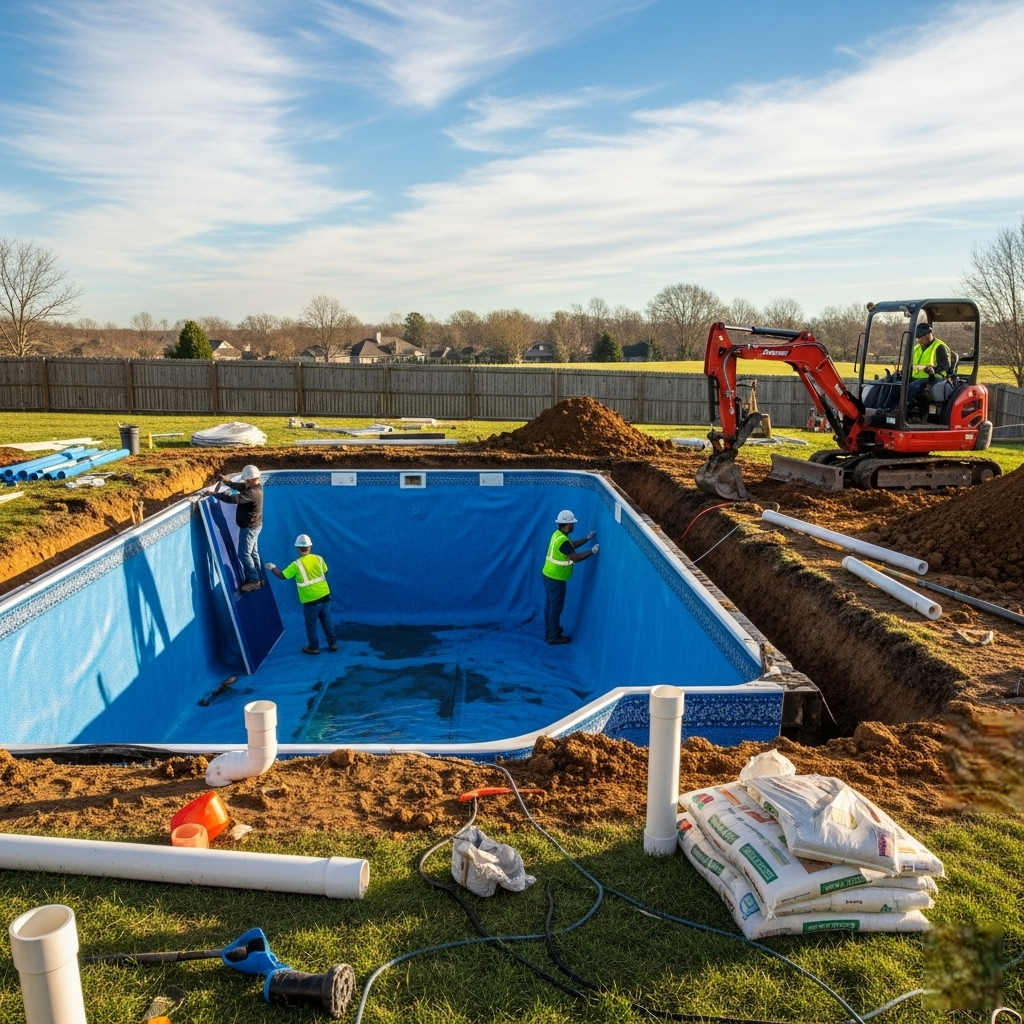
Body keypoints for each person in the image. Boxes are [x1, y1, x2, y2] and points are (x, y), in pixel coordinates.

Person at [266, 534, 338, 655]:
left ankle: (314, 647)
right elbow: (325, 571)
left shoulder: (296, 565)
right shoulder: (319, 558)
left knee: (311, 624)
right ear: (310, 547)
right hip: (325, 596)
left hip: (311, 600)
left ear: (298, 548)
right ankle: (333, 644)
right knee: (327, 620)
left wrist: (273, 568)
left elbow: (282, 575)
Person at [540, 509, 599, 645]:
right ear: (568, 524)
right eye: (572, 523)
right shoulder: (563, 541)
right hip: (556, 578)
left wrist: (587, 539)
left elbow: (571, 545)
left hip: (548, 575)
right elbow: (575, 557)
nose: (574, 525)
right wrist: (592, 551)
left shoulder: (557, 535)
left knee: (550, 605)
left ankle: (549, 632)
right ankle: (554, 637)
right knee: (556, 607)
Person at [211, 464, 264, 592]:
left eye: (246, 480)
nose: (244, 482)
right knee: (252, 552)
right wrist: (227, 482)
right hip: (254, 525)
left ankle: (253, 581)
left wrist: (215, 494)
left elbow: (233, 499)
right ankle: (258, 577)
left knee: (244, 554)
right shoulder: (255, 488)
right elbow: (239, 487)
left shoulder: (253, 492)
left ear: (251, 480)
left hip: (250, 527)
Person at [906, 322, 952, 416]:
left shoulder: (939, 347)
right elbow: (911, 364)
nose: (919, 341)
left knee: (914, 386)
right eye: (918, 339)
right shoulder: (916, 348)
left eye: (921, 338)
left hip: (935, 378)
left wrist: (933, 369)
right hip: (917, 377)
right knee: (897, 384)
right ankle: (887, 409)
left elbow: (945, 367)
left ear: (928, 334)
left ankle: (904, 412)